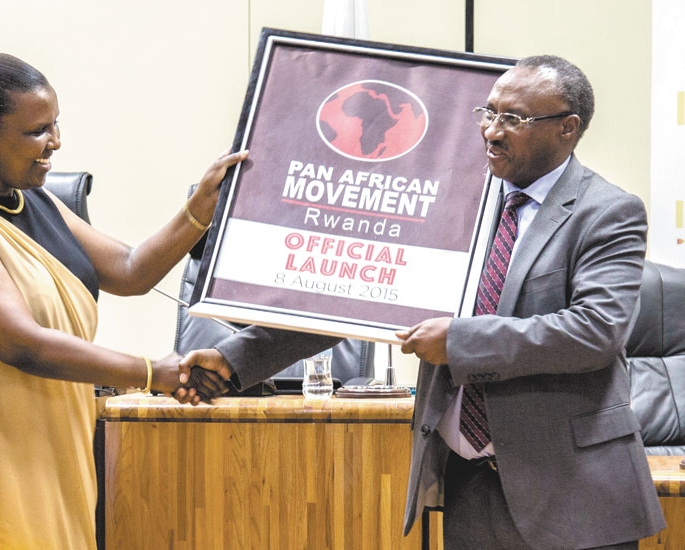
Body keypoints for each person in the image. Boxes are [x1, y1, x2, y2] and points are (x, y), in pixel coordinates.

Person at [177, 55, 665, 549]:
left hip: (572, 492)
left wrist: (458, 340)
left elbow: (594, 331)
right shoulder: (452, 201)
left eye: (513, 119)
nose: (492, 131)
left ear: (568, 128)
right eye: (488, 113)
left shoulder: (607, 212)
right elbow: (359, 300)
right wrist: (235, 358)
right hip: (468, 485)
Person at [0, 52, 241, 549]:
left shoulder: (38, 201)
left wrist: (199, 210)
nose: (55, 142)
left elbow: (132, 270)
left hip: (58, 447)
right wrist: (154, 372)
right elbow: (22, 343)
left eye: (55, 125)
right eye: (37, 131)